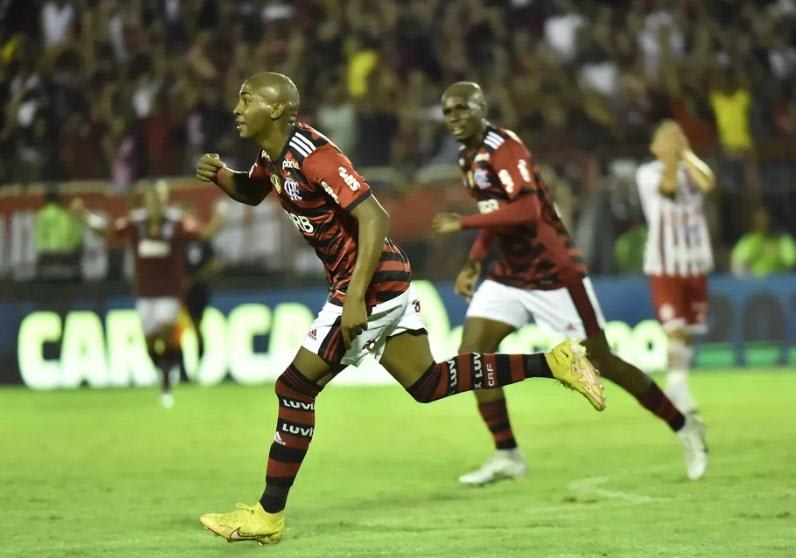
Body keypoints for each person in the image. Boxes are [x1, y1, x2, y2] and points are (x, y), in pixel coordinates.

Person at [194, 72, 605, 546]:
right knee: (428, 384)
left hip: (370, 286)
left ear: (279, 108)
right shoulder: (273, 154)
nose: (237, 107)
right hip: (372, 283)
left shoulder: (315, 155)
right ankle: (553, 362)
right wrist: (224, 177)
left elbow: (375, 216)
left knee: (294, 386)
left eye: (248, 98)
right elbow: (253, 189)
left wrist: (353, 299)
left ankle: (268, 515)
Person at [431, 82, 707, 486]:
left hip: (553, 272)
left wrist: (463, 223)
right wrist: (474, 261)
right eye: (448, 111)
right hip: (510, 272)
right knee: (473, 356)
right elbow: (496, 213)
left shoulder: (504, 148)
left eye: (462, 108)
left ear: (482, 108)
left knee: (603, 361)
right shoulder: (466, 156)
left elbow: (525, 210)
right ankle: (507, 453)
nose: (455, 117)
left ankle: (685, 427)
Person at [71, 183, 199, 408]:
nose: (156, 204)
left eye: (160, 199)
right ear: (146, 201)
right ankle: (164, 372)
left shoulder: (176, 222)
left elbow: (201, 233)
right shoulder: (135, 222)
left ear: (166, 200)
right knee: (150, 341)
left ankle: (167, 385)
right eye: (152, 199)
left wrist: (219, 220)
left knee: (167, 335)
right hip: (145, 294)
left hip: (170, 293)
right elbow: (109, 230)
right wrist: (85, 217)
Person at [636, 120, 716, 418]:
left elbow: (708, 182)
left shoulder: (692, 169)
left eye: (678, 136)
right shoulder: (646, 173)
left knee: (690, 329)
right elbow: (668, 189)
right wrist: (673, 157)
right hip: (664, 263)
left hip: (695, 261)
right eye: (666, 138)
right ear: (654, 147)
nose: (673, 140)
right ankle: (678, 389)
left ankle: (677, 386)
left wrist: (685, 154)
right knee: (676, 328)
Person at [731, 206, 796, 277]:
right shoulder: (749, 241)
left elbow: (791, 262)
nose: (764, 225)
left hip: (781, 280)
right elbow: (739, 264)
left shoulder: (783, 240)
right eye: (760, 222)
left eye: (766, 222)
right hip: (756, 283)